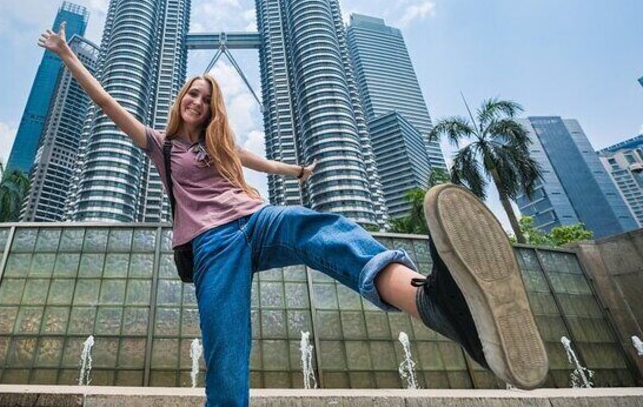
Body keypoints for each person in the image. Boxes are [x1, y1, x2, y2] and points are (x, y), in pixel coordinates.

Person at [38, 24, 548, 405]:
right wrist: (67, 56)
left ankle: (431, 302)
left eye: (206, 98)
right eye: (192, 93)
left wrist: (296, 171)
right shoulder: (161, 145)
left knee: (324, 230)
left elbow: (256, 162)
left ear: (213, 110)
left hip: (255, 220)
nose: (197, 100)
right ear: (181, 100)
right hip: (213, 245)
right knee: (227, 352)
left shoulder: (219, 147)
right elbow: (107, 103)